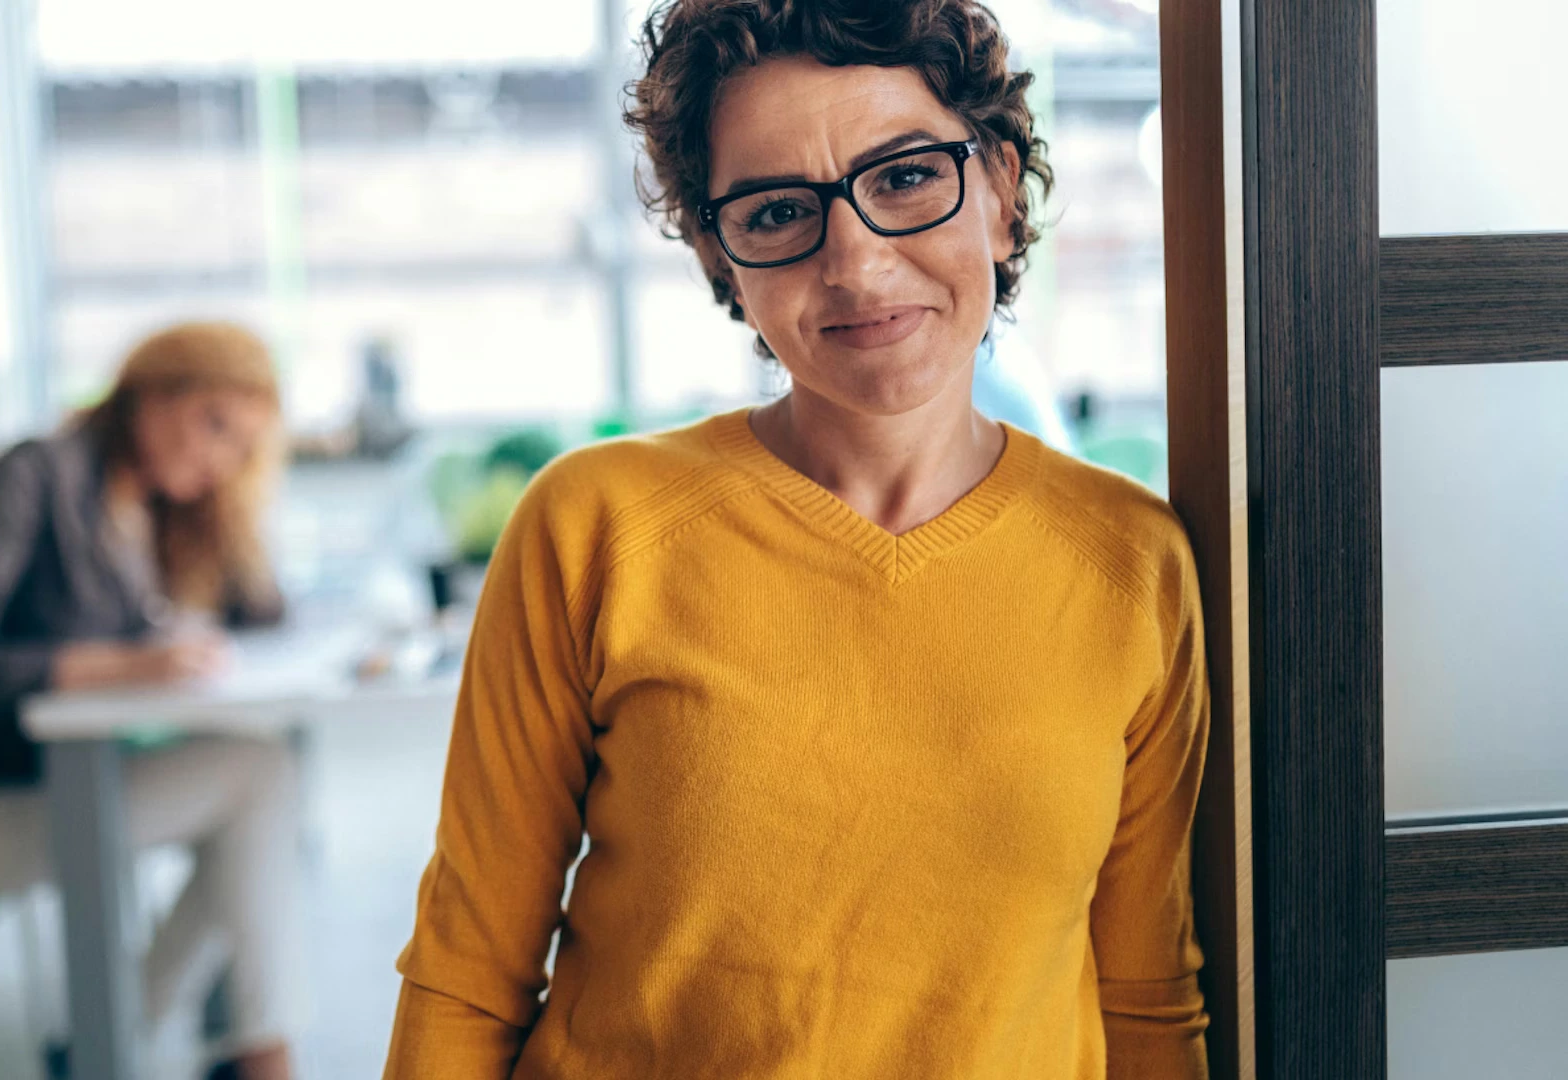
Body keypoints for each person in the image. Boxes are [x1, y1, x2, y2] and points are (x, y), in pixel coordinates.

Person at [384, 1, 1210, 1078]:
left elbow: (1147, 1000)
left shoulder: (1131, 563)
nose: (858, 265)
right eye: (778, 211)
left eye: (908, 176)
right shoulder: (595, 529)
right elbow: (466, 975)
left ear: (1002, 193)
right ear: (719, 258)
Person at [0, 322, 303, 1080]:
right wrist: (118, 666)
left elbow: (260, 612)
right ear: (149, 394)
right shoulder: (34, 476)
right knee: (257, 776)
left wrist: (233, 507)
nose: (219, 458)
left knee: (255, 785)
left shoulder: (145, 510)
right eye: (213, 426)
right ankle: (245, 1051)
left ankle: (133, 1041)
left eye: (240, 447)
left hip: (63, 790)